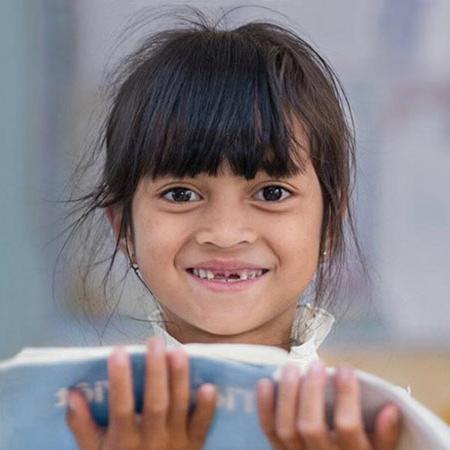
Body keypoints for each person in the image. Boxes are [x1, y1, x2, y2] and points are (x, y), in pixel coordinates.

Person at [63, 7, 402, 450]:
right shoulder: (70, 427)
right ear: (123, 226)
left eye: (272, 193)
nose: (224, 233)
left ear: (329, 229)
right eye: (181, 194)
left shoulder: (378, 434)